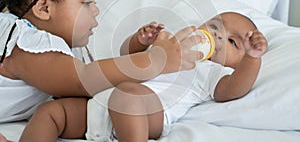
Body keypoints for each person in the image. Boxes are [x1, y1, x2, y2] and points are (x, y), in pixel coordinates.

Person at [0, 0, 202, 141]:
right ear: (44, 8)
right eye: (87, 3)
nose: (96, 10)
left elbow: (98, 84)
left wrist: (137, 50)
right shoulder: (25, 42)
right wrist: (155, 61)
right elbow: (84, 80)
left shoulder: (60, 51)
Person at [89, 11, 268, 141]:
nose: (217, 35)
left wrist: (252, 59)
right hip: (100, 107)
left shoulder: (213, 70)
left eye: (232, 42)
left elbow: (233, 89)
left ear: (238, 62)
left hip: (147, 113)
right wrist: (140, 42)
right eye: (214, 26)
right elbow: (128, 58)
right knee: (63, 110)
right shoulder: (171, 45)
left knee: (127, 93)